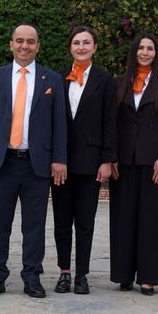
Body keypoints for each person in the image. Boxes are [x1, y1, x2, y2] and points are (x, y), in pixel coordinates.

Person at [0, 23, 68, 299]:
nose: (24, 46)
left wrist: (59, 159)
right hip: (3, 162)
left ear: (38, 46)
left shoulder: (52, 80)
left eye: (30, 41)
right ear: (11, 44)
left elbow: (59, 123)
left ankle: (32, 276)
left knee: (34, 225)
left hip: (36, 164)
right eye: (19, 41)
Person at [109, 32, 158, 295]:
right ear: (134, 51)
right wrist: (111, 156)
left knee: (152, 220)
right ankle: (124, 274)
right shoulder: (118, 83)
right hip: (124, 161)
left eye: (150, 48)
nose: (145, 52)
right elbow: (111, 123)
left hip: (154, 162)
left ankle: (149, 276)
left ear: (155, 53)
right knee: (123, 217)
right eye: (141, 48)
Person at [52, 26, 116, 296]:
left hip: (91, 161)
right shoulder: (57, 78)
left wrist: (107, 160)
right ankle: (64, 271)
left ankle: (82, 274)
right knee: (62, 220)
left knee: (86, 221)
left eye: (86, 42)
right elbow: (53, 121)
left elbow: (110, 122)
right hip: (62, 162)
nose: (81, 47)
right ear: (70, 47)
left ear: (94, 47)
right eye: (76, 42)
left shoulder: (105, 80)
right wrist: (55, 157)